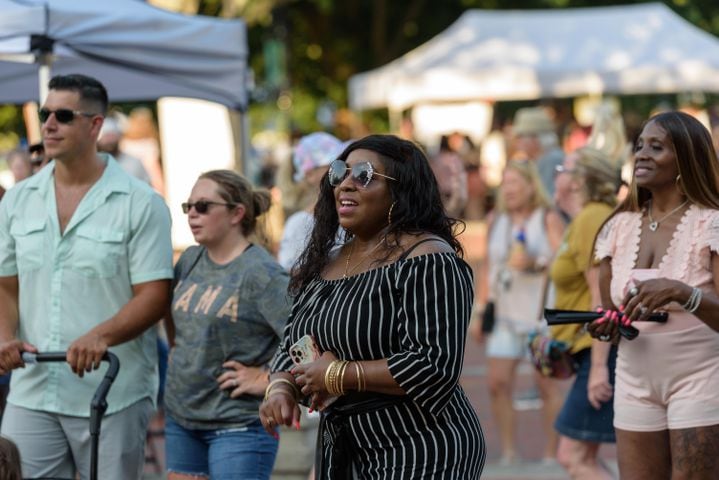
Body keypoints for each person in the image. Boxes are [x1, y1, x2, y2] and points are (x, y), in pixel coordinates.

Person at [260, 134, 485, 479]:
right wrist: (281, 387)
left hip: (421, 446)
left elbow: (434, 366)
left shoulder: (428, 259)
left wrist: (339, 375)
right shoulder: (327, 261)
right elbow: (293, 338)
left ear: (401, 190)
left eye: (364, 175)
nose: (346, 184)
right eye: (339, 173)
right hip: (346, 448)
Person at [0, 74, 173, 479]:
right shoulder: (18, 200)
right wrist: (6, 335)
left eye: (63, 115)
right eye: (46, 114)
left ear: (95, 125)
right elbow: (6, 285)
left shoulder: (141, 203)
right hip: (34, 386)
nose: (48, 124)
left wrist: (102, 335)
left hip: (112, 390)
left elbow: (154, 294)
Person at [590, 111, 719, 479]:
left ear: (685, 159)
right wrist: (606, 327)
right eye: (640, 145)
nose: (642, 154)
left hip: (701, 375)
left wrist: (682, 292)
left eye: (656, 147)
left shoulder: (711, 223)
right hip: (633, 377)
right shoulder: (617, 226)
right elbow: (611, 312)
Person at [164, 169, 291, 479]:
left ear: (237, 213)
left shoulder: (263, 274)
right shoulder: (190, 259)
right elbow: (171, 317)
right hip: (182, 419)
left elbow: (308, 343)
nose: (192, 214)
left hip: (239, 426)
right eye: (188, 207)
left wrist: (266, 379)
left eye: (203, 206)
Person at [470, 159, 565, 464]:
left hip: (538, 317)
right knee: (497, 382)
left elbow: (565, 263)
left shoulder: (546, 217)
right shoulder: (496, 219)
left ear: (530, 186)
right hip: (505, 316)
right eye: (505, 183)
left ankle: (552, 453)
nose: (508, 190)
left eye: (514, 183)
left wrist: (536, 262)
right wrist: (479, 311)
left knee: (545, 384)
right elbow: (488, 267)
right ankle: (510, 452)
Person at [551, 136, 625, 478]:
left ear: (579, 180)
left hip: (600, 350)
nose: (556, 175)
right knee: (584, 455)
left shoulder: (590, 218)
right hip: (591, 350)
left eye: (562, 169)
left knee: (573, 456)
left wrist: (598, 367)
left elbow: (602, 297)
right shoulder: (581, 219)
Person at [277, 132, 342, 271]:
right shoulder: (301, 224)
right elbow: (291, 278)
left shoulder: (351, 214)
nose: (343, 171)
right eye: (333, 165)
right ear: (309, 174)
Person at [512, 107, 565, 198]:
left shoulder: (552, 159)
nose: (517, 141)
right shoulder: (537, 160)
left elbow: (548, 197)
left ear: (535, 138)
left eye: (520, 136)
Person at [98, 112, 152, 185]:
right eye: (106, 136)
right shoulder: (89, 166)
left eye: (112, 136)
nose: (109, 140)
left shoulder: (135, 163)